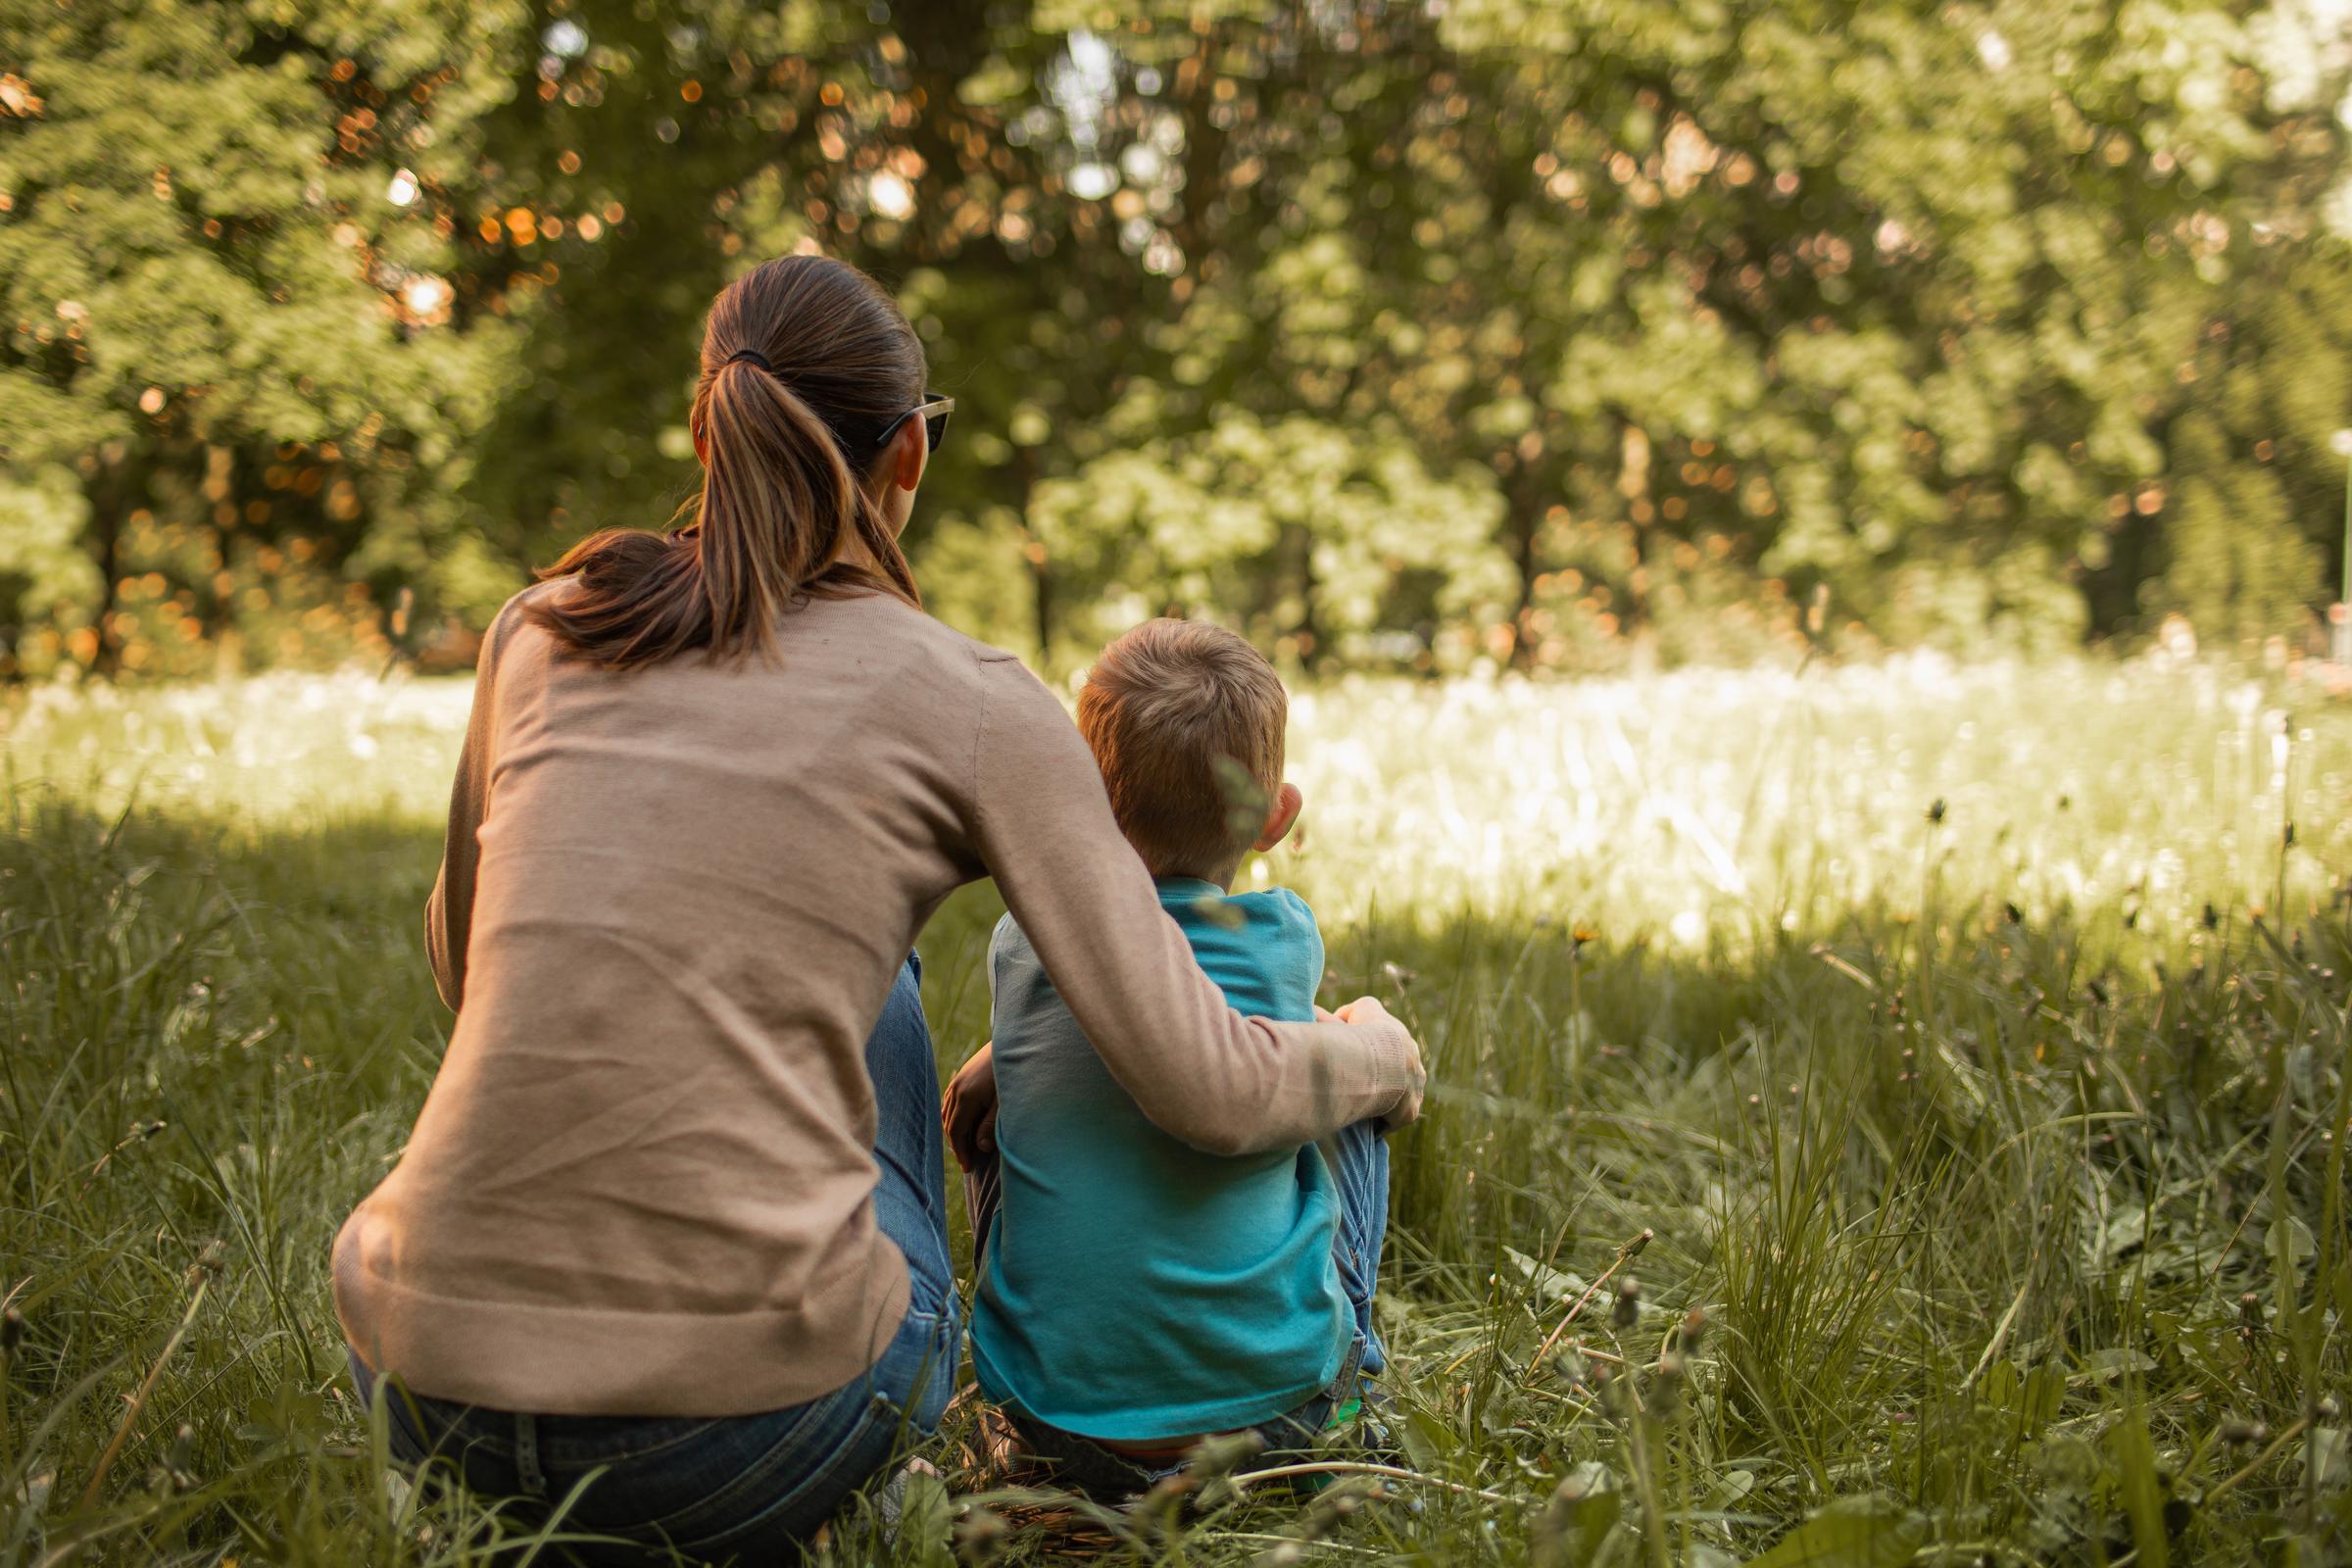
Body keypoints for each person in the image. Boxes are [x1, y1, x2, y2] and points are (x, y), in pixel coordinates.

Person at [333, 255, 1425, 1565]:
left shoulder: (540, 626)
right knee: (885, 981)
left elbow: (467, 970)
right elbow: (1211, 1087)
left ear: (707, 423)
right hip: (738, 1439)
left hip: (423, 1390)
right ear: (907, 450)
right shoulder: (965, 693)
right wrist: (1381, 1050)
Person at [943, 618, 1394, 1500]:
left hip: (1056, 1426)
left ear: (1089, 804)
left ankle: (1040, 1371)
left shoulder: (1023, 942)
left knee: (998, 1111)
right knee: (1347, 1091)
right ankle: (1353, 1387)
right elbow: (1273, 1054)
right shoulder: (1282, 937)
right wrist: (1368, 1020)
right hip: (1274, 1421)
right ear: (1276, 819)